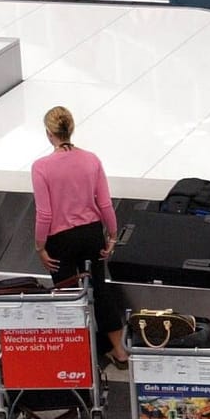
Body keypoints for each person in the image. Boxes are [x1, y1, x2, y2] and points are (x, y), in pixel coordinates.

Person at [31, 106, 126, 366]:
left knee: (67, 294)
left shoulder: (41, 167)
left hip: (60, 239)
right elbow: (105, 203)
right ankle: (118, 349)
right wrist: (113, 235)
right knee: (100, 286)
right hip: (91, 233)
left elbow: (44, 213)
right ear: (70, 129)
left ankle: (77, 354)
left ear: (49, 133)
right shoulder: (91, 160)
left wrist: (40, 247)